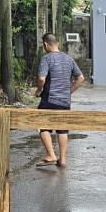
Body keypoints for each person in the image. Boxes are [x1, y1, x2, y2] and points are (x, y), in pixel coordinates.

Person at [33, 33, 85, 168]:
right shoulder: (69, 59)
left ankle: (51, 154)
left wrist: (39, 90)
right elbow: (80, 78)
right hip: (64, 102)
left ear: (45, 44)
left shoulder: (46, 59)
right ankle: (62, 159)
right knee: (62, 130)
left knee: (42, 126)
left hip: (49, 99)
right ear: (57, 43)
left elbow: (41, 79)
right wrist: (69, 92)